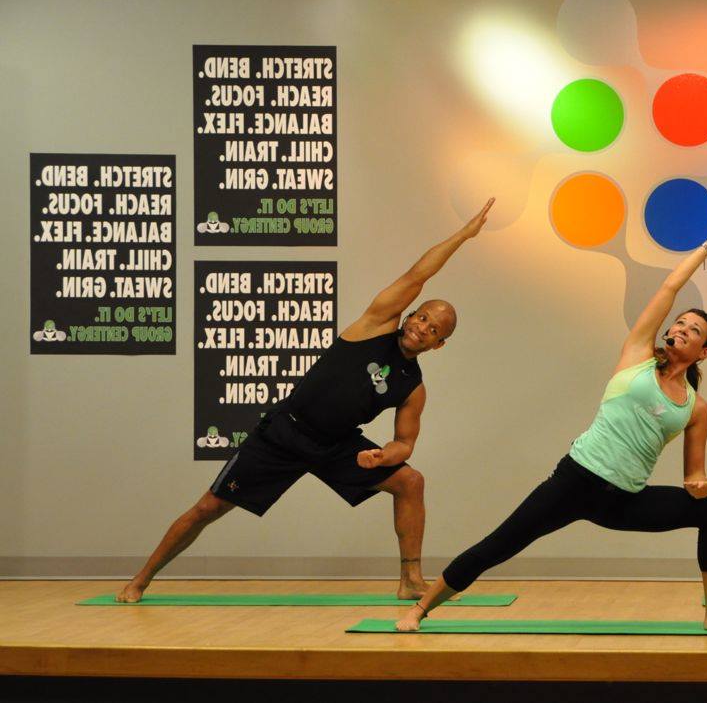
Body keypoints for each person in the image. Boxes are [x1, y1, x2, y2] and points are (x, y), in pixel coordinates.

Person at [115, 199, 495, 602]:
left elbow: (405, 443)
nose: (422, 328)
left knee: (410, 481)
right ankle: (141, 579)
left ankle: (411, 580)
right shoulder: (376, 324)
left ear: (438, 345)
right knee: (208, 508)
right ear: (411, 314)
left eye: (433, 330)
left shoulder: (413, 386)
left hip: (336, 445)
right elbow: (419, 273)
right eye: (422, 317)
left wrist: (384, 456)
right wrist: (463, 235)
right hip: (285, 431)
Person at [396, 220, 707, 632]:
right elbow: (669, 288)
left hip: (624, 499)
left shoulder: (696, 408)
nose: (680, 329)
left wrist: (698, 486)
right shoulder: (638, 355)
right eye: (680, 323)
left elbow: (693, 475)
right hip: (575, 481)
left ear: (704, 352)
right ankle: (419, 609)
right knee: (500, 544)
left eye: (693, 330)